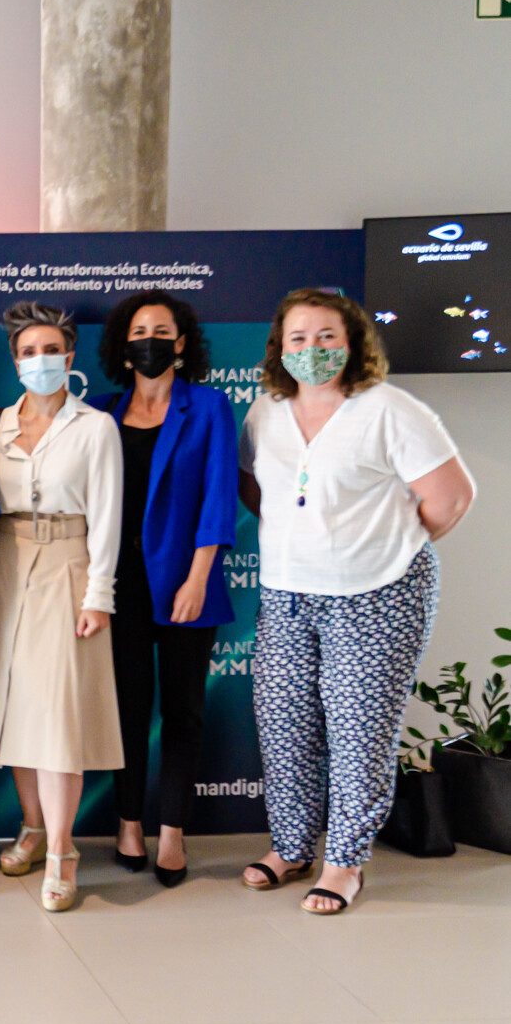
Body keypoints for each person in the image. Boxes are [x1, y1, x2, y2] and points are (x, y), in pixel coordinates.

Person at [238, 288, 473, 915]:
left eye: (325, 337)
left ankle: (345, 862)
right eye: (298, 339)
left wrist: (383, 545)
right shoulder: (264, 413)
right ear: (279, 349)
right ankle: (290, 848)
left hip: (376, 596)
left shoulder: (390, 410)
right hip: (287, 593)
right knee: (283, 723)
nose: (311, 350)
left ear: (352, 342)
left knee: (358, 730)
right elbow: (257, 491)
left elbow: (449, 499)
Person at [0, 302, 122, 913]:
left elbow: (107, 515)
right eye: (28, 352)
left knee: (56, 714)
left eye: (50, 350)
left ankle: (62, 850)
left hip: (66, 564)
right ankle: (30, 826)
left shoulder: (94, 427)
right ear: (14, 359)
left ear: (70, 357)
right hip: (0, 565)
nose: (39, 361)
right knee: (16, 708)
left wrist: (99, 595)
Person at [88, 291, 237, 887]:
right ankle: (128, 823)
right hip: (118, 588)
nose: (150, 339)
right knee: (125, 708)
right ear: (124, 347)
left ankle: (172, 832)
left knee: (183, 713)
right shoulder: (100, 412)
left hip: (184, 585)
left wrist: (198, 578)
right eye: (138, 330)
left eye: (162, 330)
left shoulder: (208, 406)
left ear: (181, 343)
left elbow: (219, 498)